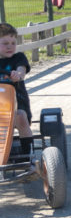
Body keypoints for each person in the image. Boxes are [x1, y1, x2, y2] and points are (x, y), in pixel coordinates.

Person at [0, 23, 33, 159]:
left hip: (17, 104)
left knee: (20, 116)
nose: (10, 46)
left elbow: (22, 70)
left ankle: (28, 157)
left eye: (13, 43)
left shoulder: (19, 58)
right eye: (5, 43)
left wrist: (17, 75)